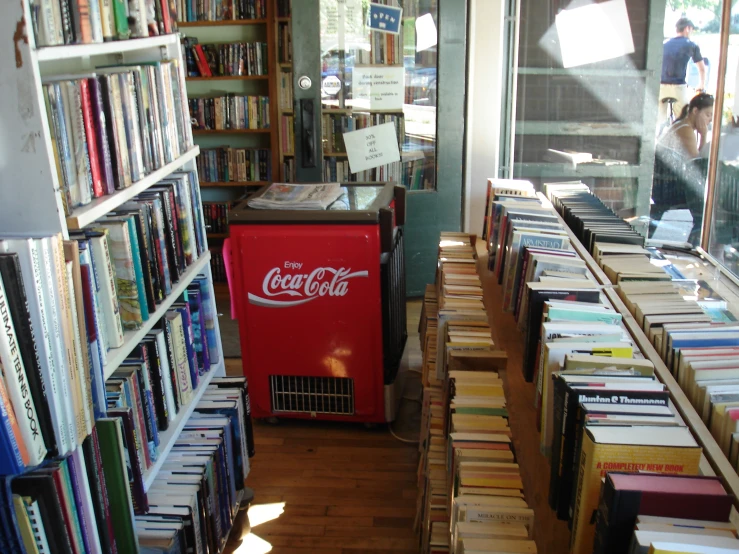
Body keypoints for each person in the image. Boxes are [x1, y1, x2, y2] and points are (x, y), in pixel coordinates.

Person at [659, 17, 706, 129]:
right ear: (687, 28)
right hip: (678, 87)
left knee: (659, 120)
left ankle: (659, 137)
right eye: (692, 30)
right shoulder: (692, 45)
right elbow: (702, 69)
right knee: (683, 120)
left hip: (660, 86)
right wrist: (701, 85)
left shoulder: (664, 44)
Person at [657, 92, 714, 159]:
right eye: (708, 115)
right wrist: (704, 136)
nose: (710, 120)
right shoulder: (686, 130)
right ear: (695, 111)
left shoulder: (682, 124)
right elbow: (697, 163)